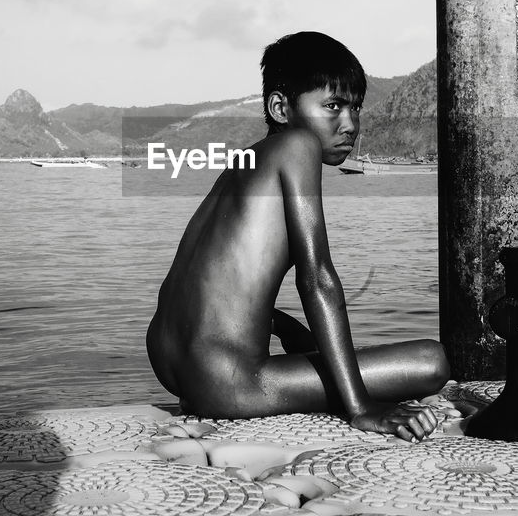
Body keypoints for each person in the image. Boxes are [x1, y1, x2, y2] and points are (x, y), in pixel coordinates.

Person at [146, 31, 451, 442]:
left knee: (317, 348)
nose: (350, 124)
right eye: (333, 106)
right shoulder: (298, 145)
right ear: (280, 107)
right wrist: (360, 408)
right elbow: (317, 279)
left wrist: (286, 329)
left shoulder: (247, 162)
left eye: (355, 108)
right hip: (230, 383)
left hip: (175, 367)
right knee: (431, 361)